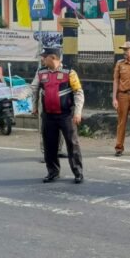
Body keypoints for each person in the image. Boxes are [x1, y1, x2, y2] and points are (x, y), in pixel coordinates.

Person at [30, 47, 84, 184]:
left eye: (44, 56)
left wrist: (77, 113)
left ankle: (78, 172)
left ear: (53, 57)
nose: (42, 59)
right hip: (48, 115)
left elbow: (78, 93)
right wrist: (34, 106)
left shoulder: (70, 73)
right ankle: (53, 172)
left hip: (66, 115)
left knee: (72, 144)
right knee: (49, 145)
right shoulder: (40, 73)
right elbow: (34, 89)